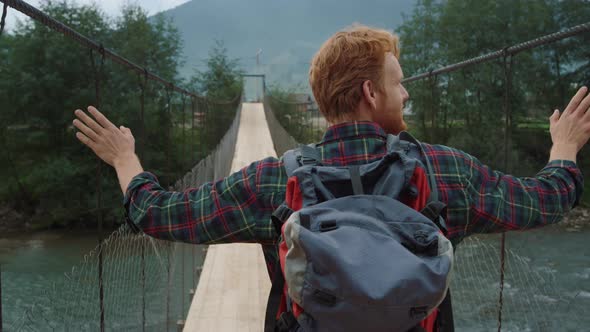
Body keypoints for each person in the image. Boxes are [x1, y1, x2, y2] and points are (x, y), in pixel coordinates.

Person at [73, 25, 588, 330]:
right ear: (370, 92)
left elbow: (159, 215)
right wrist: (564, 149)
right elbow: (542, 202)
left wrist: (124, 159)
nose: (406, 94)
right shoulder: (442, 168)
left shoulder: (273, 180)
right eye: (399, 83)